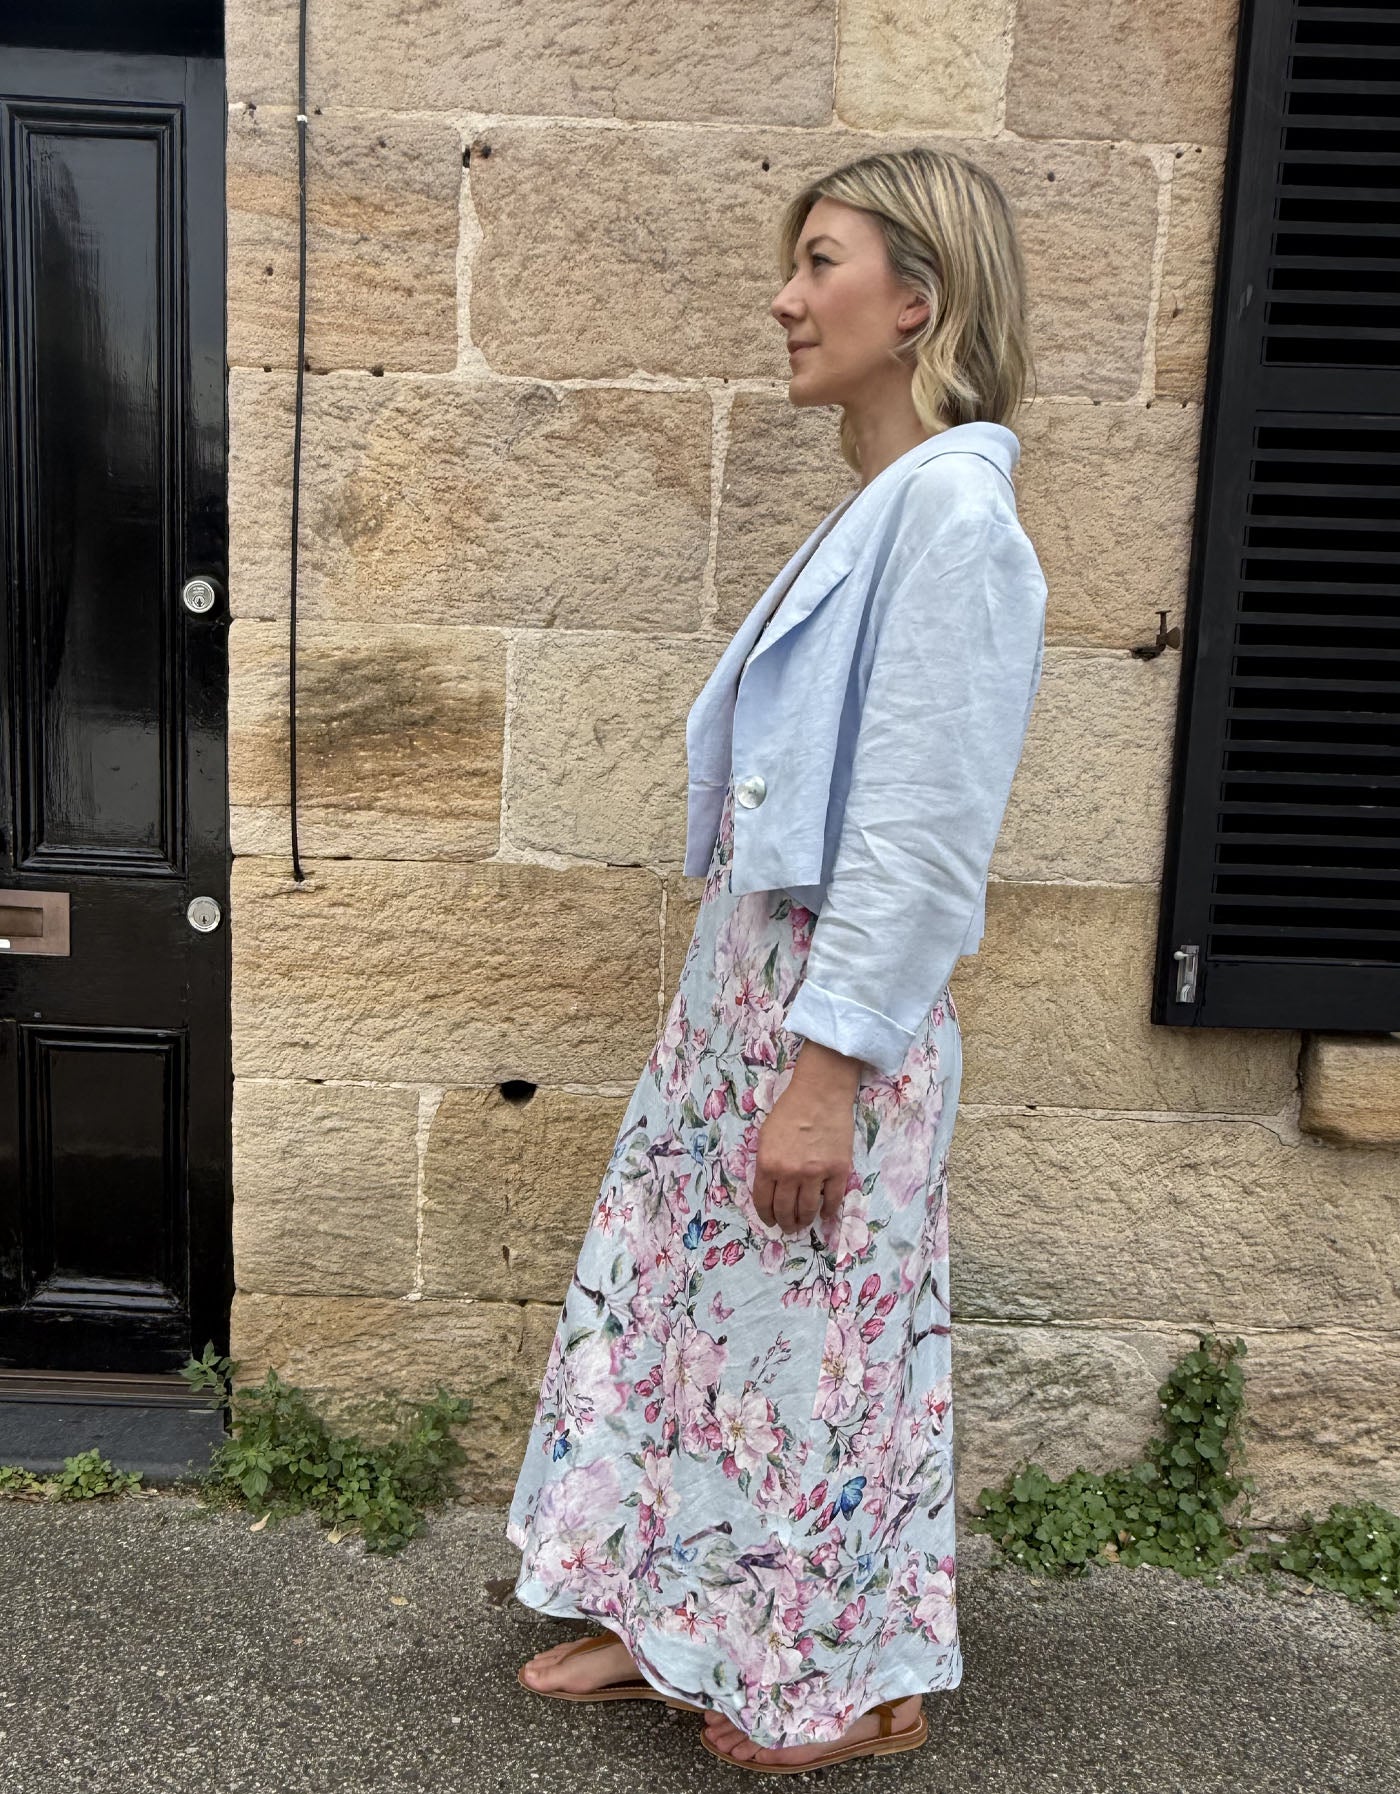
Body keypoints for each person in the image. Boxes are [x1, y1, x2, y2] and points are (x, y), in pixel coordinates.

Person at [505, 145, 1047, 1774]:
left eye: (822, 262)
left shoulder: (956, 517)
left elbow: (923, 831)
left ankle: (855, 1681)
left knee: (816, 1356)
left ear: (919, 302)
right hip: (751, 992)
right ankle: (672, 1613)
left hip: (829, 1016)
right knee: (696, 1322)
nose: (785, 298)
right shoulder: (886, 504)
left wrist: (827, 1069)